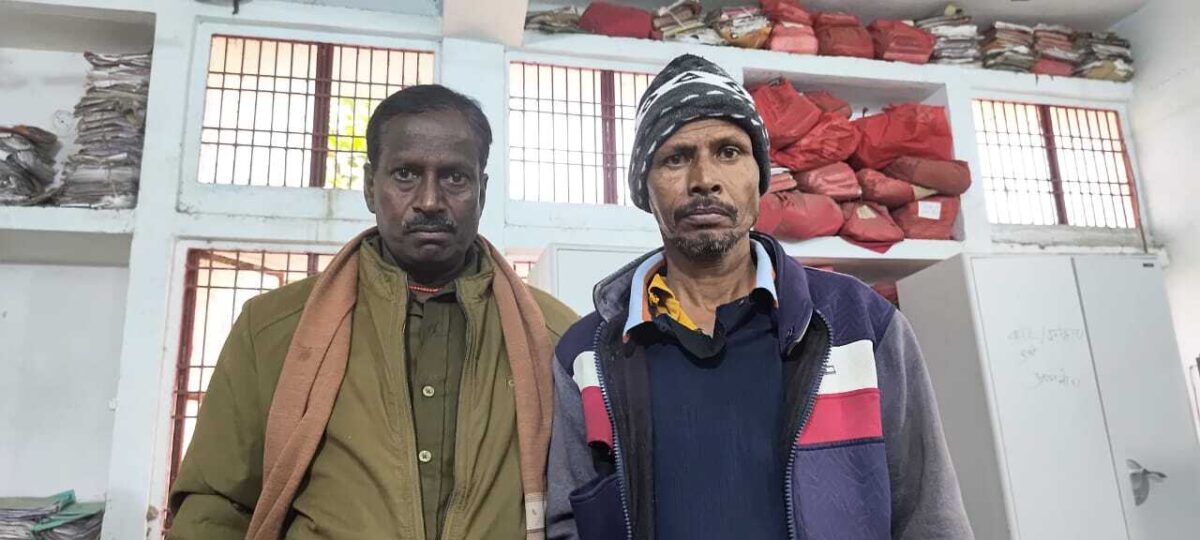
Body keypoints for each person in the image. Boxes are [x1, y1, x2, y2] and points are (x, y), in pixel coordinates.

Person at [546, 55, 972, 540]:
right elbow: (567, 523)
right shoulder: (586, 356)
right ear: (645, 188)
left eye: (728, 152)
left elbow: (930, 516)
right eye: (675, 158)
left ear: (760, 175)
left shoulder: (860, 324)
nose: (704, 179)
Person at [169, 85, 577, 540]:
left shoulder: (557, 339)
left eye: (454, 178)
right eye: (405, 174)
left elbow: (587, 503)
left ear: (482, 191)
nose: (429, 200)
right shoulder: (271, 329)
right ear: (369, 186)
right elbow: (215, 506)